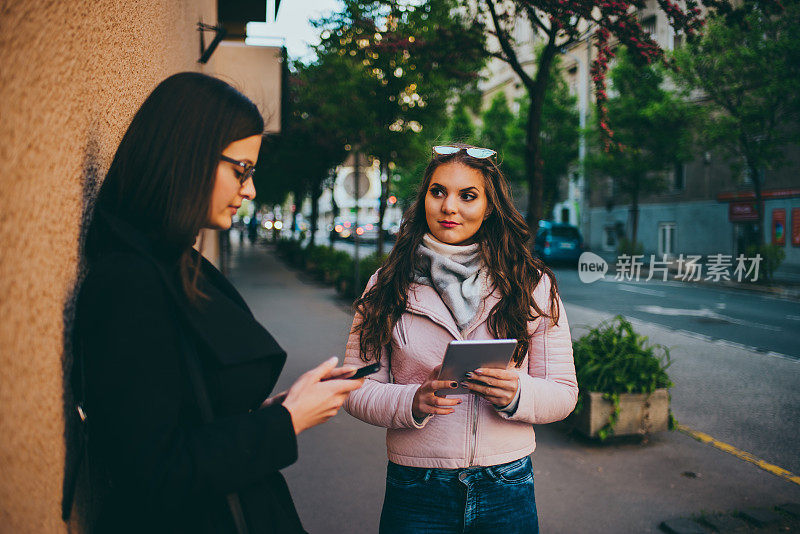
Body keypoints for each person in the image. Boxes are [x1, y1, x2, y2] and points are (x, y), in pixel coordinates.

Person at [71, 72, 364, 533]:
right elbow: (152, 472)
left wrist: (279, 409)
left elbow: (191, 412)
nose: (249, 191)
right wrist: (286, 423)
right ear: (187, 156)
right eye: (240, 170)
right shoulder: (129, 282)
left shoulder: (173, 262)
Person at [342, 144, 578, 533]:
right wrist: (412, 400)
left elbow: (565, 392)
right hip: (416, 485)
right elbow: (354, 386)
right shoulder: (386, 285)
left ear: (489, 207)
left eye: (467, 195)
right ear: (424, 201)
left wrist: (517, 394)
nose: (449, 206)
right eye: (438, 192)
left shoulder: (531, 285)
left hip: (507, 483)